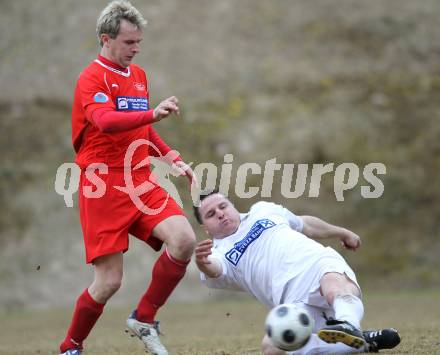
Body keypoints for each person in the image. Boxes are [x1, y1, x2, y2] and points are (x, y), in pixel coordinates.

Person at [59, 1, 197, 354]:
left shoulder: (138, 76)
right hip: (102, 183)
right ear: (106, 39)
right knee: (109, 282)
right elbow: (106, 121)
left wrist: (171, 157)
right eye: (128, 43)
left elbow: (142, 130)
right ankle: (71, 346)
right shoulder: (92, 78)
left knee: (183, 240)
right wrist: (152, 113)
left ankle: (144, 318)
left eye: (138, 42)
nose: (135, 50)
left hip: (141, 178)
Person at [194, 191, 401, 354]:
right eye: (211, 214)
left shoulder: (263, 210)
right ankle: (361, 342)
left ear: (232, 205)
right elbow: (214, 269)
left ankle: (348, 324)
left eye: (223, 206)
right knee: (271, 348)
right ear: (205, 228)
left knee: (333, 286)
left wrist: (342, 232)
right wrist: (202, 262)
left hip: (317, 265)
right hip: (292, 301)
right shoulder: (218, 252)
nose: (220, 213)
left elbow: (305, 224)